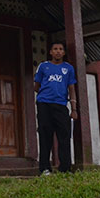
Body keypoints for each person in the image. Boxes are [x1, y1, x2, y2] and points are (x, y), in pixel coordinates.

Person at [32, 41, 78, 175]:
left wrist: (74, 109)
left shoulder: (68, 68)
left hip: (61, 106)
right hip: (44, 105)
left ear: (63, 53)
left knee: (64, 136)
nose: (58, 51)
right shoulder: (43, 66)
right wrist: (46, 95)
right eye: (55, 49)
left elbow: (71, 89)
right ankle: (45, 168)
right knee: (45, 136)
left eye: (60, 49)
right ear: (50, 52)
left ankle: (65, 168)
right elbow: (36, 86)